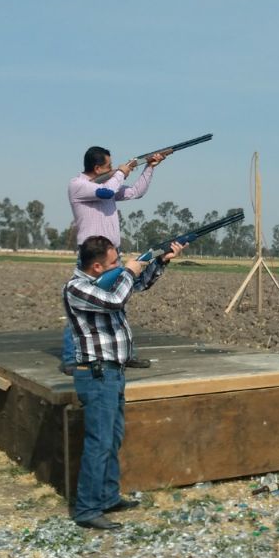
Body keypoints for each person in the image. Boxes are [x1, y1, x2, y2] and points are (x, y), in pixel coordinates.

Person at [63, 233, 185, 530]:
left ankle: (107, 497)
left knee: (112, 438)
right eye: (114, 261)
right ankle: (87, 509)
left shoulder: (102, 281)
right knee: (99, 442)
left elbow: (135, 286)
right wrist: (130, 270)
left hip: (112, 373)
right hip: (97, 374)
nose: (120, 264)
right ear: (96, 268)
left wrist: (159, 263)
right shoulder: (77, 288)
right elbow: (116, 298)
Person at [64, 145, 168, 371]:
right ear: (97, 167)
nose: (114, 169)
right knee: (83, 306)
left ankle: (124, 354)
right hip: (92, 255)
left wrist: (149, 168)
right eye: (109, 166)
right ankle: (72, 358)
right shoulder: (79, 185)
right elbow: (108, 193)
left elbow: (134, 193)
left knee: (118, 303)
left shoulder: (106, 183)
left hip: (112, 255)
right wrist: (121, 172)